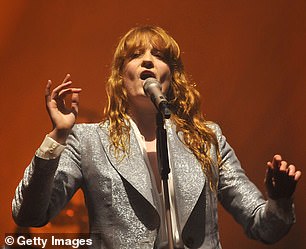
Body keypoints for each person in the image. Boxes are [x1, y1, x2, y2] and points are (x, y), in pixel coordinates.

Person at [12, 25, 301, 249]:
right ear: (121, 79)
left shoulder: (207, 139)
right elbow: (30, 215)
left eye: (159, 56)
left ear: (172, 78)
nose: (148, 61)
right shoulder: (88, 141)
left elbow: (263, 226)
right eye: (136, 55)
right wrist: (58, 135)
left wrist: (279, 201)